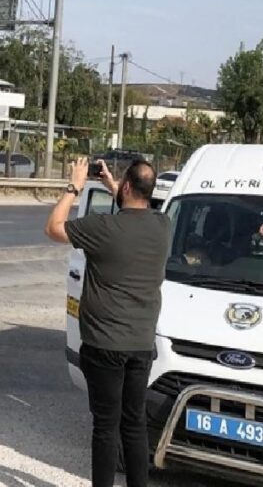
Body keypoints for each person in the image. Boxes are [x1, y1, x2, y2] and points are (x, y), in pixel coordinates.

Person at [45, 156, 170, 487]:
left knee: (105, 427)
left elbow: (53, 227)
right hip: (141, 345)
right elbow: (137, 209)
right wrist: (114, 184)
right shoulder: (163, 226)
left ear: (127, 187)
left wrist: (75, 186)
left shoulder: (102, 227)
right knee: (134, 424)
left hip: (104, 344)